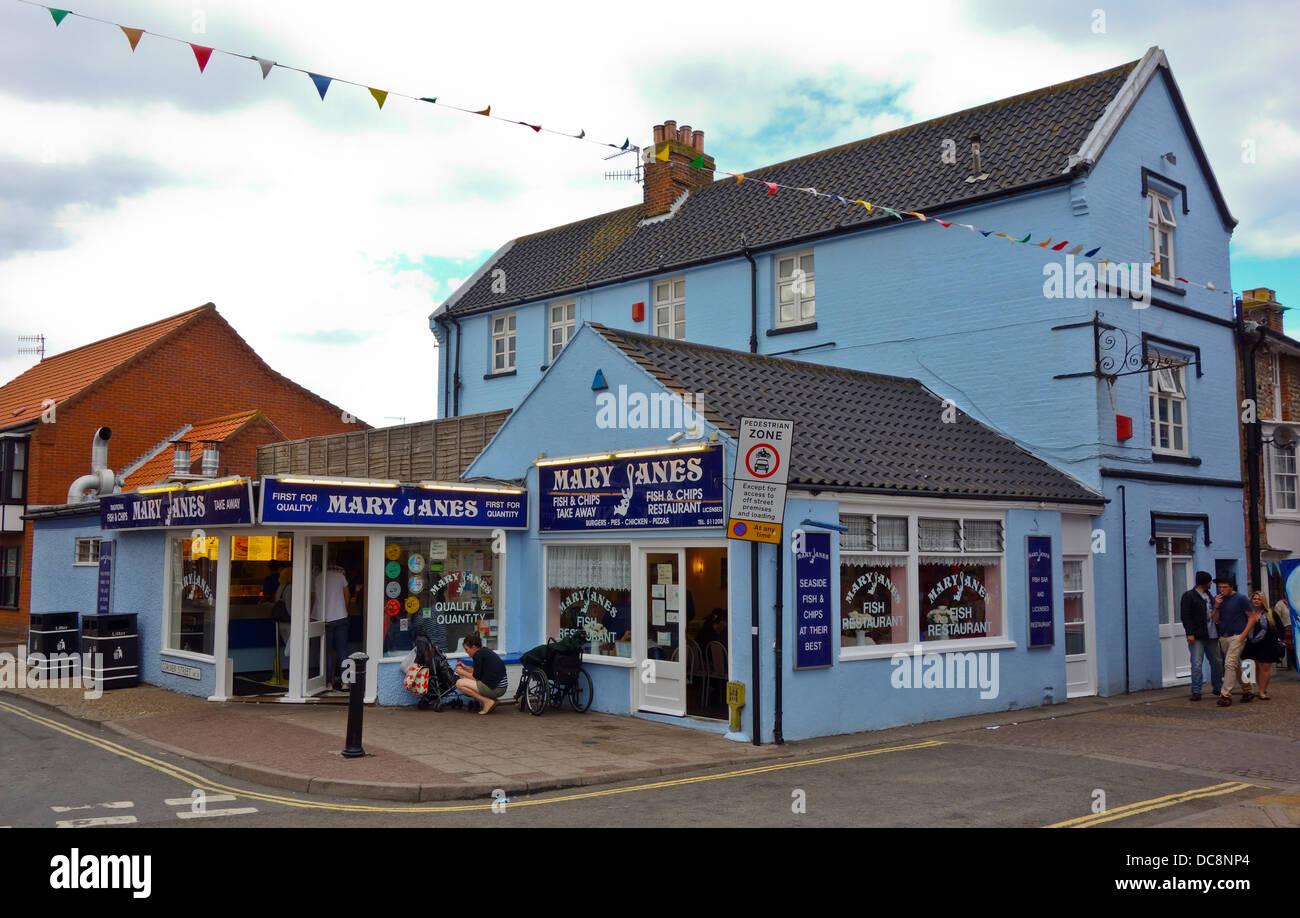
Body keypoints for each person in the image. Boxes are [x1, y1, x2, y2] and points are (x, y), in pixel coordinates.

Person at [1179, 571, 1222, 701]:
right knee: (1197, 663)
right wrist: (1189, 633)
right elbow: (1185, 616)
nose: (1211, 584)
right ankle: (1196, 690)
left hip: (1212, 634)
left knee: (1217, 662)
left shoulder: (1209, 595)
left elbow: (1214, 614)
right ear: (1204, 582)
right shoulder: (1189, 596)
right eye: (1209, 582)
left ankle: (1218, 687)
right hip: (1197, 635)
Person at [1214, 576, 1254, 706]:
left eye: (1224, 587)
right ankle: (1248, 690)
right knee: (1235, 665)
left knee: (1229, 663)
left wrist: (1243, 635)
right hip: (1224, 636)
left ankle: (1225, 695)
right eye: (1220, 587)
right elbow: (1215, 620)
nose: (1221, 589)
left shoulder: (1241, 598)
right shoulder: (1220, 600)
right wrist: (1216, 606)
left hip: (1237, 636)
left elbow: (1252, 618)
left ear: (1231, 587)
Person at [1242, 592, 1283, 701]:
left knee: (1265, 667)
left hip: (1267, 645)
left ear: (1263, 601)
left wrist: (1276, 639)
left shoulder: (1270, 613)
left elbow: (1280, 628)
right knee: (1253, 667)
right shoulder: (1248, 613)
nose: (1256, 601)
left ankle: (1262, 691)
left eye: (1258, 599)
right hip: (1251, 644)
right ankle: (1256, 688)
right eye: (1254, 599)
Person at [454, 632, 508, 714]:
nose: (466, 652)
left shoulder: (478, 655)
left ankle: (487, 701)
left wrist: (462, 672)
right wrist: (465, 667)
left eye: (467, 649)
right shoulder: (484, 651)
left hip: (496, 689)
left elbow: (475, 678)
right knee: (469, 682)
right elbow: (479, 671)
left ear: (474, 647)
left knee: (459, 683)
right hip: (501, 687)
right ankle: (493, 700)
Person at [323, 561, 351, 691]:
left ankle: (329, 682)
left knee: (328, 652)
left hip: (325, 619)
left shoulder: (319, 577)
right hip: (341, 618)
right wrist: (343, 608)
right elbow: (347, 594)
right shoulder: (340, 577)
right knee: (342, 650)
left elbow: (313, 598)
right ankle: (345, 681)